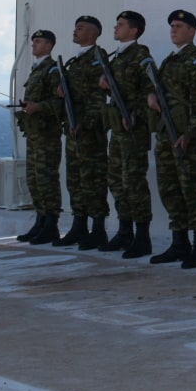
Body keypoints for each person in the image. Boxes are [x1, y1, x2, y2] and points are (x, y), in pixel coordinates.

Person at [148, 9, 196, 269]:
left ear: (192, 31)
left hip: (185, 136)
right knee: (169, 189)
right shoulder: (170, 60)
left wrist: (192, 133)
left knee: (191, 190)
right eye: (172, 26)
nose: (173, 30)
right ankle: (179, 242)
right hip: (166, 133)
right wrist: (152, 96)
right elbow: (161, 91)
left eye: (179, 26)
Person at [99, 9, 155, 259]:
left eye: (121, 24)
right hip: (118, 130)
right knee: (116, 181)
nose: (116, 27)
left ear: (134, 30)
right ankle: (124, 231)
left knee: (134, 182)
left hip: (134, 129)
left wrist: (134, 113)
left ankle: (142, 237)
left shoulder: (141, 56)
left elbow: (151, 92)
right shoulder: (117, 57)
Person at [55, 14, 110, 250]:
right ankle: (79, 225)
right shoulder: (76, 62)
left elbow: (97, 98)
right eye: (76, 27)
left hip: (89, 131)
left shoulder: (98, 58)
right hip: (73, 127)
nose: (75, 31)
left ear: (93, 33)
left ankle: (97, 229)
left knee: (93, 179)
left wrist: (85, 123)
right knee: (75, 179)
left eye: (80, 28)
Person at [15, 30, 65, 244]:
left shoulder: (53, 70)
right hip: (34, 132)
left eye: (38, 41)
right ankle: (40, 220)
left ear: (49, 46)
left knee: (46, 179)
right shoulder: (37, 69)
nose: (34, 44)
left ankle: (51, 225)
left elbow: (60, 102)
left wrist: (39, 107)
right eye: (34, 41)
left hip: (47, 134)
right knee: (34, 179)